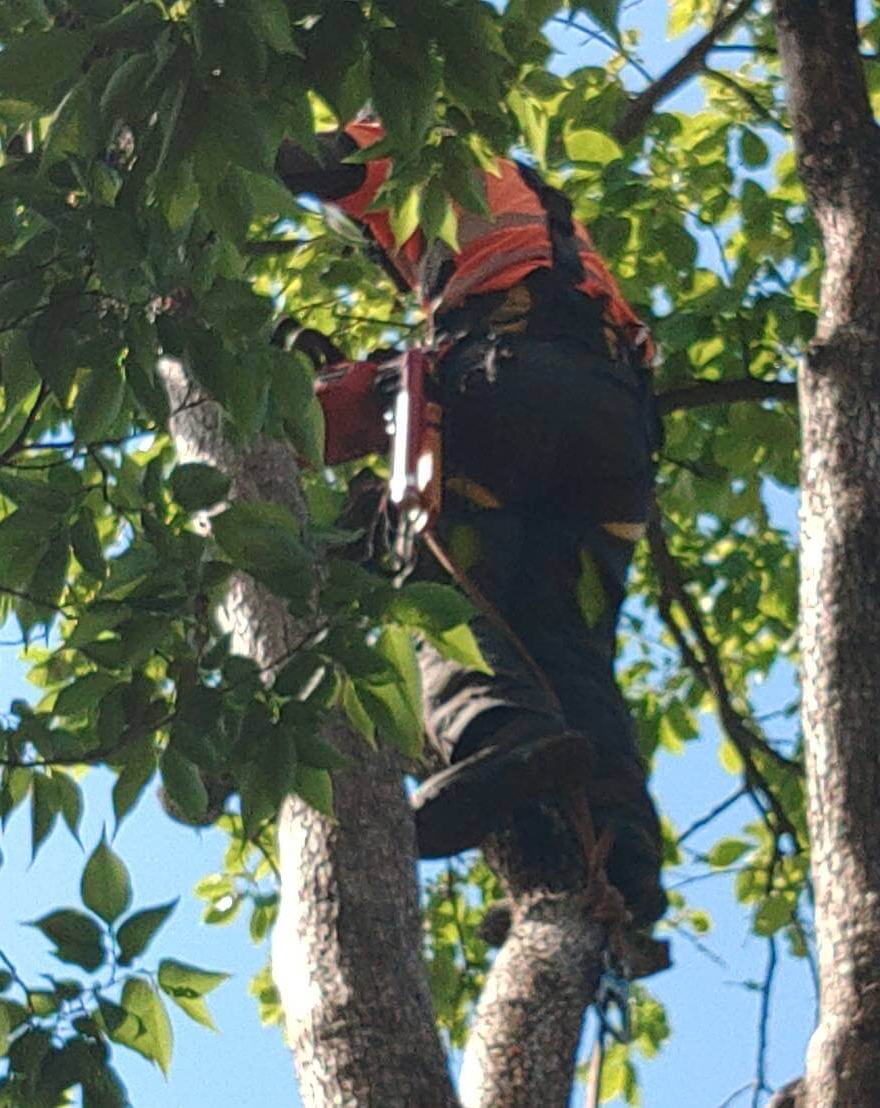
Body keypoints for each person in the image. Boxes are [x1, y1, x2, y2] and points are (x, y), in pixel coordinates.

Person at [277, 118, 667, 933]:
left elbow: (296, 154)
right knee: (564, 643)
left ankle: (496, 732)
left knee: (435, 594)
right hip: (613, 427)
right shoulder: (545, 228)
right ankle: (618, 857)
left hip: (510, 378)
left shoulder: (423, 152)